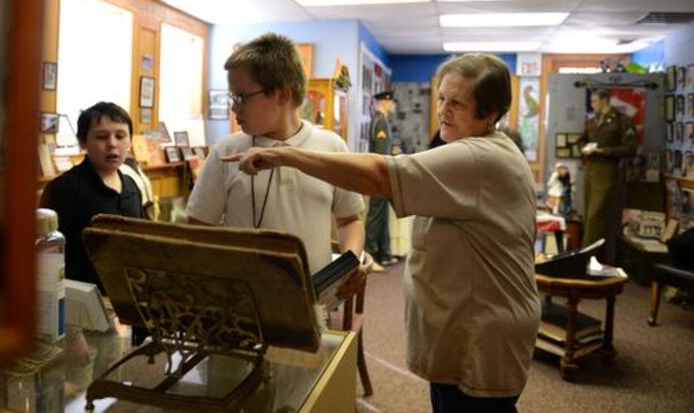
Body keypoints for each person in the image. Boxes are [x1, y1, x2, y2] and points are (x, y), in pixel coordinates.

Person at [229, 53, 539, 412]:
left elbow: (378, 174)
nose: (443, 111)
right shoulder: (472, 151)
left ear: (491, 113)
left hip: (482, 337)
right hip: (472, 330)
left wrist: (286, 154)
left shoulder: (479, 158)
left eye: (457, 103)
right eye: (441, 98)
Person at [186, 32, 367, 278]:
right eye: (232, 97)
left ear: (282, 94)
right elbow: (199, 229)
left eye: (241, 97)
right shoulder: (225, 152)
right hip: (244, 302)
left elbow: (349, 220)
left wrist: (351, 263)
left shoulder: (332, 147)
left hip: (313, 304)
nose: (234, 107)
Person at [41, 102, 147, 293]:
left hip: (128, 295)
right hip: (82, 300)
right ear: (83, 141)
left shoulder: (132, 186)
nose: (112, 144)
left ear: (130, 142)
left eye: (120, 136)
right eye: (102, 137)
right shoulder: (65, 188)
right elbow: (49, 257)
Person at [580, 88, 637, 249]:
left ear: (605, 100)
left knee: (595, 215)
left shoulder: (621, 120)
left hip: (607, 169)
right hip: (590, 169)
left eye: (595, 101)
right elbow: (581, 140)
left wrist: (603, 151)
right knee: (588, 215)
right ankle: (589, 254)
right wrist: (583, 148)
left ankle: (589, 255)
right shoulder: (592, 121)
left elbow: (630, 148)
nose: (592, 105)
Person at [365, 90, 397, 268]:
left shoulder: (381, 120)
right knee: (375, 215)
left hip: (383, 173)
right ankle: (369, 255)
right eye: (390, 101)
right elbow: (379, 153)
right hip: (379, 174)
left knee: (383, 215)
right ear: (383, 102)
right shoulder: (380, 122)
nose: (393, 105)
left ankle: (383, 254)